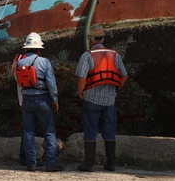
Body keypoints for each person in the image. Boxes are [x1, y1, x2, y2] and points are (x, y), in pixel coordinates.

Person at [75, 25, 128, 171]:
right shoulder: (115, 54)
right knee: (109, 131)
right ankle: (111, 163)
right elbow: (124, 75)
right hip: (110, 100)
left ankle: (89, 164)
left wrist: (80, 93)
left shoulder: (87, 56)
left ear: (90, 39)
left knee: (91, 131)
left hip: (91, 98)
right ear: (103, 38)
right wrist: (116, 90)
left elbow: (81, 78)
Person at [12, 32, 62, 172]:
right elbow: (51, 83)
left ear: (26, 48)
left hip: (27, 99)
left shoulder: (20, 62)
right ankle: (51, 163)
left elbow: (18, 80)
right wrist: (55, 99)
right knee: (49, 132)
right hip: (43, 99)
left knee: (28, 132)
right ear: (39, 49)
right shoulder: (44, 62)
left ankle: (31, 163)